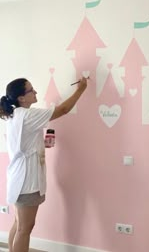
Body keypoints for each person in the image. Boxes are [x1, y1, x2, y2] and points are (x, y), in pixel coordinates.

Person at [0, 77, 88, 252]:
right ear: (21, 98)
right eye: (31, 90)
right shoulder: (27, 115)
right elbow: (62, 109)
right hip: (27, 182)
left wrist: (45, 141)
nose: (35, 92)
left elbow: (30, 143)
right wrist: (81, 89)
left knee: (19, 225)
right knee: (25, 229)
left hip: (19, 178)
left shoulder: (14, 116)